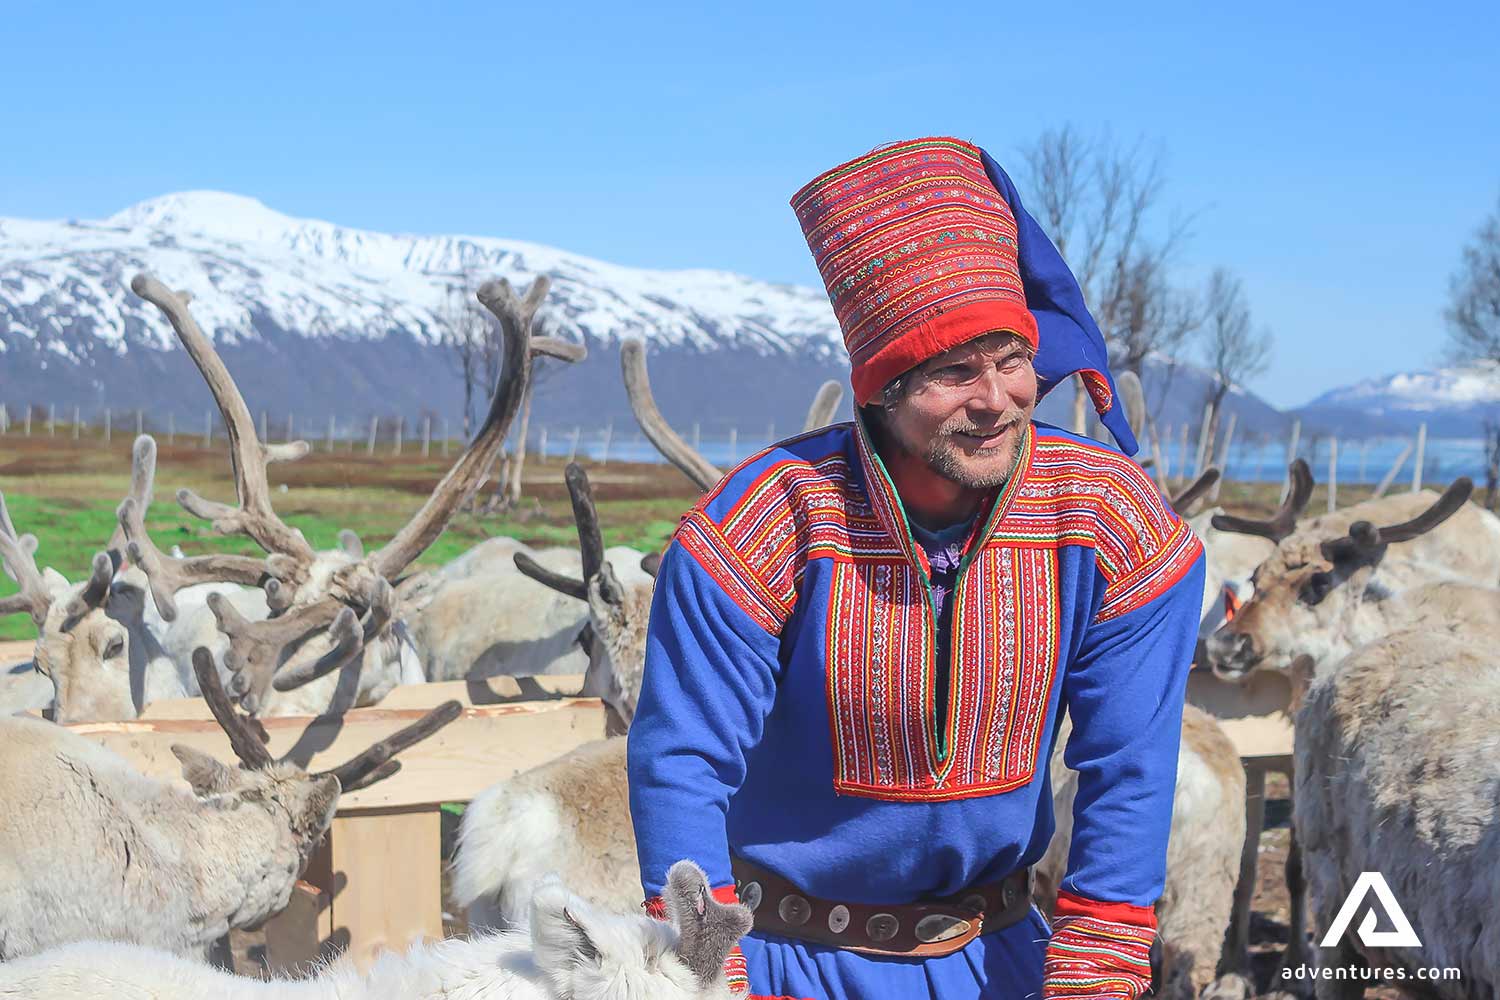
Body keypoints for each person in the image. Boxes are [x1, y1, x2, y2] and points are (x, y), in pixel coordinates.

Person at [626, 135, 1206, 1000]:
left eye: (1012, 362)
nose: (995, 399)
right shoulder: (765, 524)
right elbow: (682, 760)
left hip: (999, 962)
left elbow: (1131, 760)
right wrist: (706, 972)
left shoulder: (1110, 523)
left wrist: (1098, 960)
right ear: (881, 389)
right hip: (785, 964)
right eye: (950, 373)